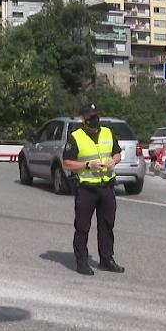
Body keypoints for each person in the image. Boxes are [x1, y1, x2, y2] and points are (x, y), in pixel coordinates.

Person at [62, 102, 124, 276]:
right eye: (90, 116)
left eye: (95, 115)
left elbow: (117, 152)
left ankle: (107, 259)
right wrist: (88, 165)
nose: (94, 119)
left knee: (107, 224)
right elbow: (67, 163)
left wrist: (114, 160)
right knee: (82, 226)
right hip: (86, 188)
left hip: (106, 186)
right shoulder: (76, 136)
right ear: (83, 118)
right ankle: (81, 261)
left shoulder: (108, 132)